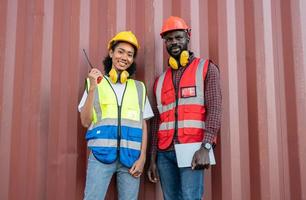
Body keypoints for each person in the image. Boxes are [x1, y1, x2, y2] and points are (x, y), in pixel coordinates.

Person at [147, 16, 222, 199]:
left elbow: (215, 109)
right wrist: (153, 158)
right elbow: (157, 122)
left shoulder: (206, 68)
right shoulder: (160, 81)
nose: (174, 42)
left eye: (178, 37)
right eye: (169, 39)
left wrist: (206, 146)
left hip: (193, 149)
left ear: (188, 37)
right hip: (164, 154)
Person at [78, 31, 154, 200]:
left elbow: (143, 125)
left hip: (131, 160)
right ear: (111, 53)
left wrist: (142, 158)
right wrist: (91, 89)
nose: (124, 57)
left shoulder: (139, 88)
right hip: (100, 156)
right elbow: (85, 121)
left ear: (133, 59)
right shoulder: (96, 84)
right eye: (120, 51)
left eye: (130, 54)